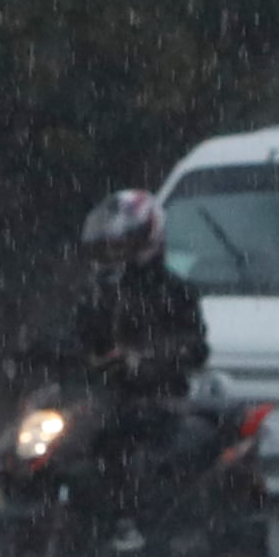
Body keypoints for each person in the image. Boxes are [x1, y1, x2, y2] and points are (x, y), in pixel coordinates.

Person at [66, 187, 210, 496]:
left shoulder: (174, 291)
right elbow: (71, 333)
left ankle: (129, 518)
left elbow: (194, 346)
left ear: (149, 239)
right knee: (36, 433)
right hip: (98, 395)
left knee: (126, 446)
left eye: (122, 244)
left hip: (157, 399)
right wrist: (36, 352)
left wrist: (141, 360)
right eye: (108, 245)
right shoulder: (96, 292)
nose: (113, 252)